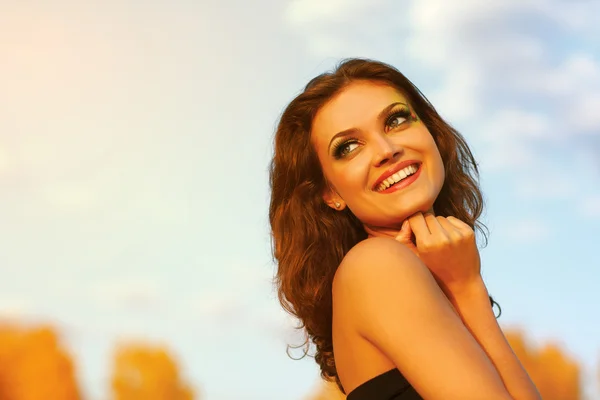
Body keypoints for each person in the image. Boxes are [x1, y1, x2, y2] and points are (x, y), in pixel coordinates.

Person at [268, 58, 541, 400]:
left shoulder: (423, 274)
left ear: (431, 132)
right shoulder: (377, 267)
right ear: (331, 193)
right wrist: (467, 288)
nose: (387, 150)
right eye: (349, 147)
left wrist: (467, 288)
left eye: (396, 120)